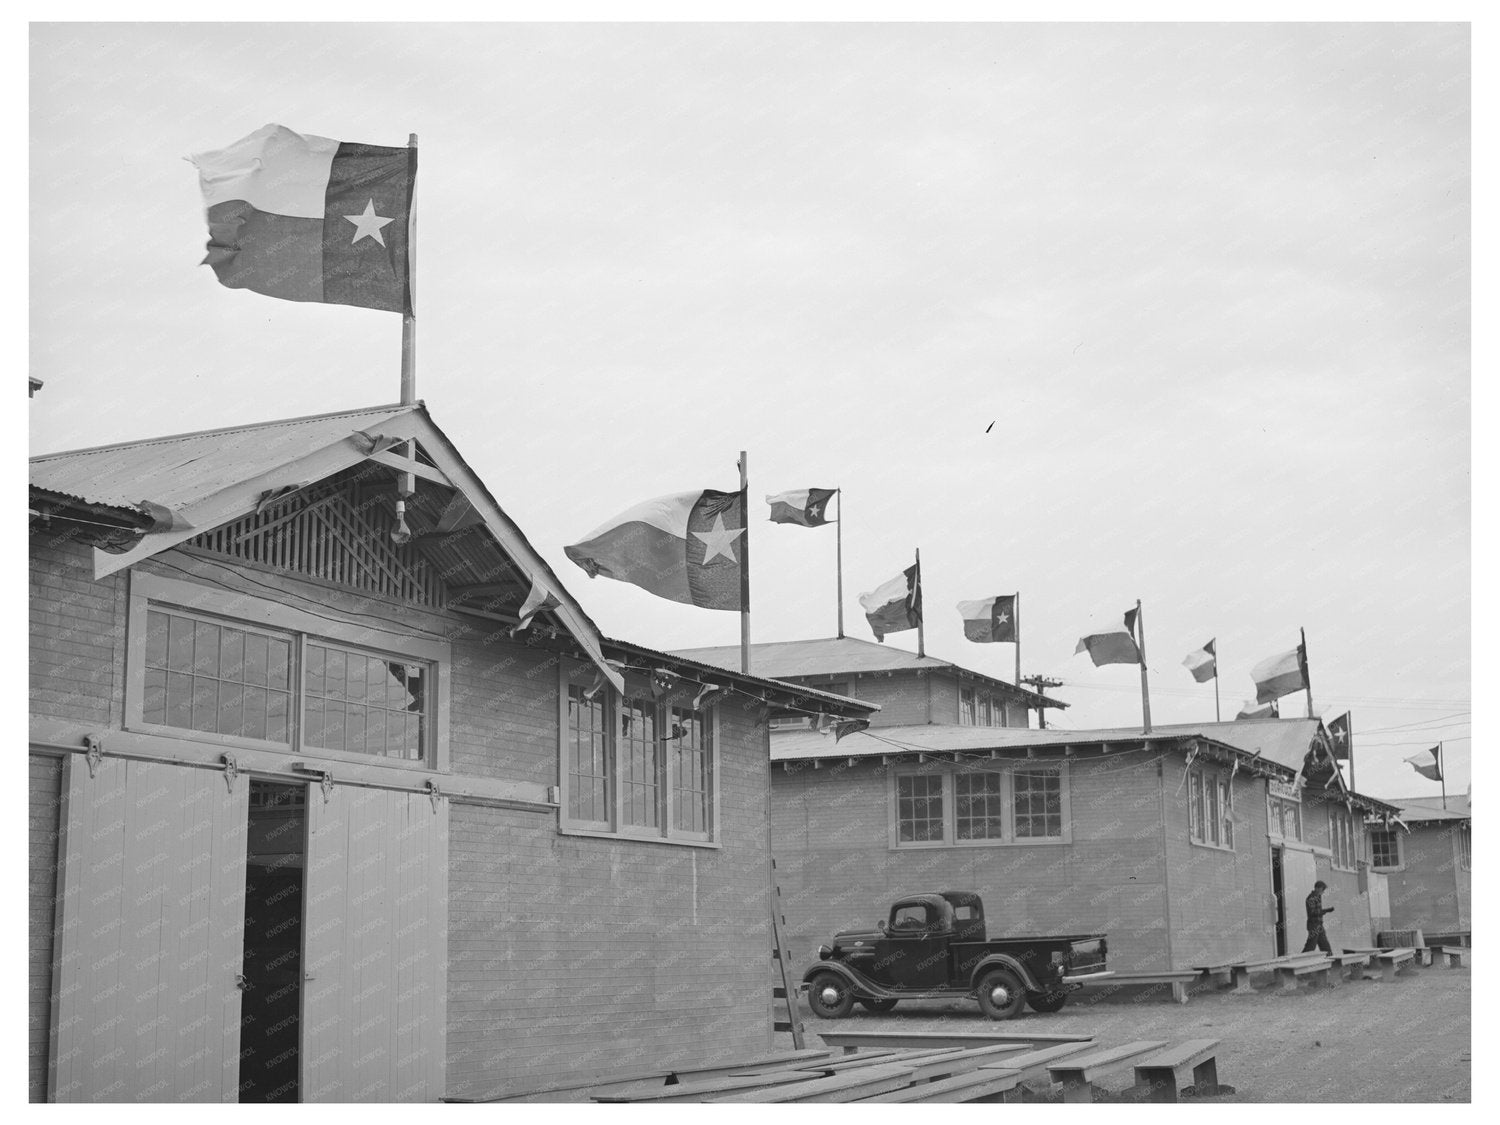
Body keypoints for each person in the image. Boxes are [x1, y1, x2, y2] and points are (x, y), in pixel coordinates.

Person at [1302, 880, 1335, 953]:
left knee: (1325, 945)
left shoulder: (1318, 897)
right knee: (1310, 946)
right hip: (1313, 925)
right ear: (1317, 888)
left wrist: (1325, 911)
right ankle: (1299, 961)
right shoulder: (1311, 898)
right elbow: (1312, 912)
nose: (1323, 892)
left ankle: (1332, 961)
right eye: (1322, 889)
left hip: (1319, 925)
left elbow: (1318, 911)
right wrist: (1326, 911)